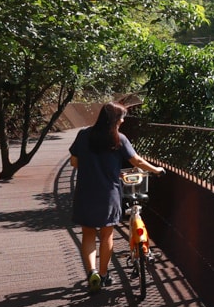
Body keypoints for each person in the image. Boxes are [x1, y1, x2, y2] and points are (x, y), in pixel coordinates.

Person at [70, 101, 165, 293]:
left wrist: (92, 166)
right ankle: (104, 275)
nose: (123, 121)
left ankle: (92, 272)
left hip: (85, 191)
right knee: (107, 234)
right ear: (114, 119)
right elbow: (136, 161)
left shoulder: (83, 135)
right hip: (108, 193)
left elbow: (74, 162)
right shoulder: (119, 138)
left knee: (88, 233)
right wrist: (156, 170)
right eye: (122, 118)